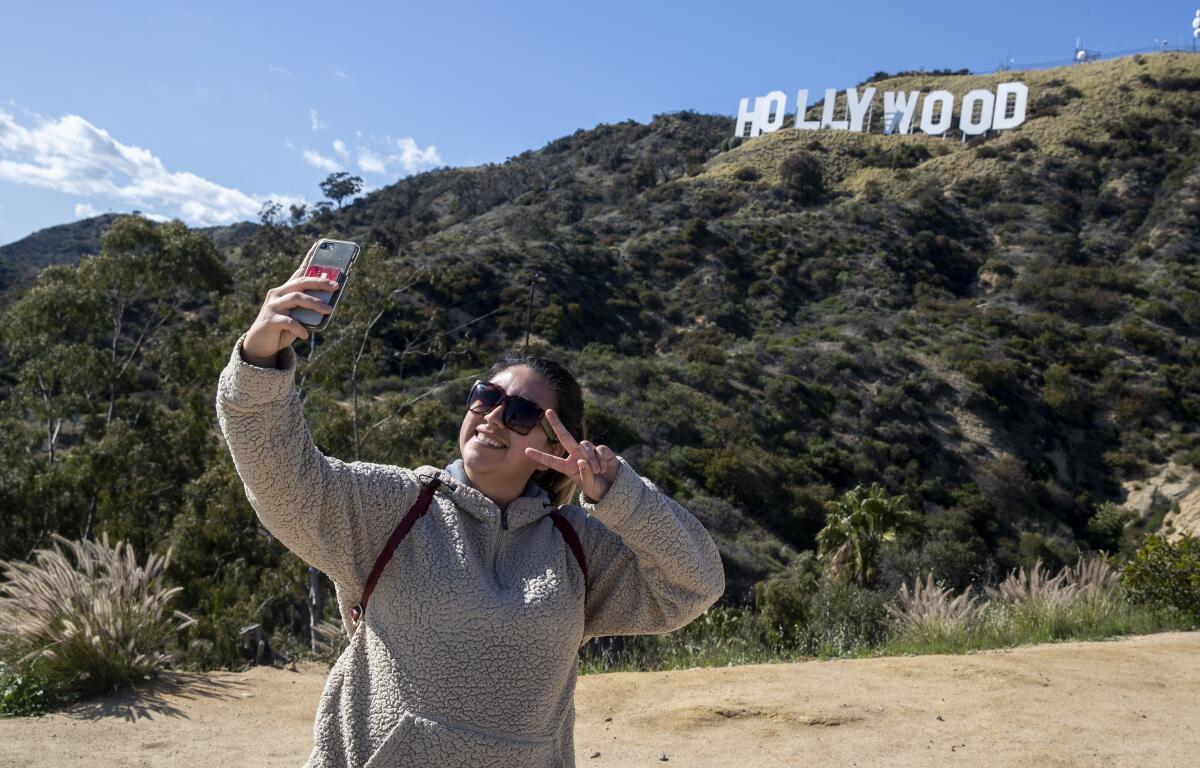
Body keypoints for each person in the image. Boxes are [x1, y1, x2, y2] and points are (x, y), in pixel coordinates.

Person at [215, 251, 726, 767]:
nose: (494, 416)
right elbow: (281, 476)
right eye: (486, 396)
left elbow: (695, 585)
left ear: (557, 447)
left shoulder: (577, 546)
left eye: (522, 413)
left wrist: (620, 495)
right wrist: (259, 365)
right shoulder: (397, 507)